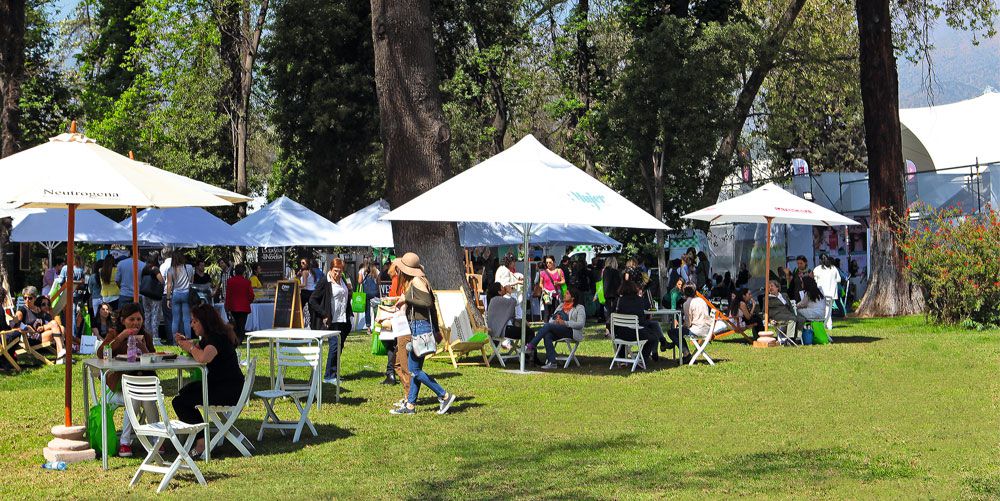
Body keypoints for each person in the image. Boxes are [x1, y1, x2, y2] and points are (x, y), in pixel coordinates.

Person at [173, 303, 246, 458]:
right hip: (222, 384)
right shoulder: (211, 337)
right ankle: (200, 437)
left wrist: (190, 348)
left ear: (204, 321)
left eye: (195, 321)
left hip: (227, 390)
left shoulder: (216, 339)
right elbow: (199, 349)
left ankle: (201, 441)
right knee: (184, 393)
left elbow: (204, 358)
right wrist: (188, 343)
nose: (191, 324)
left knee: (180, 401)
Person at [389, 252, 457, 415]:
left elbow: (426, 302)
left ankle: (444, 395)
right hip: (420, 326)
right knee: (415, 368)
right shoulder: (420, 280)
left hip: (419, 327)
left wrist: (407, 299)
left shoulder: (417, 281)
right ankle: (410, 405)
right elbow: (431, 305)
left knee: (415, 370)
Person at [96, 302, 157, 457]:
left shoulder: (146, 336)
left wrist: (143, 348)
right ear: (123, 320)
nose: (136, 323)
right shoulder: (114, 333)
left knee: (144, 396)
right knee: (137, 396)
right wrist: (121, 337)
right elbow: (101, 352)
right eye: (131, 319)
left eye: (138, 319)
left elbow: (154, 358)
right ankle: (140, 440)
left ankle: (148, 440)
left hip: (143, 382)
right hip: (119, 386)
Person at [309, 258, 353, 385]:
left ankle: (334, 373)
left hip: (343, 318)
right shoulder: (325, 281)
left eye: (340, 271)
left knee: (339, 346)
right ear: (330, 269)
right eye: (335, 271)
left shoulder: (343, 280)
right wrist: (324, 313)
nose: (337, 274)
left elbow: (344, 296)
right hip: (332, 319)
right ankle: (328, 376)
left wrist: (349, 292)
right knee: (334, 346)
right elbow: (312, 300)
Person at [524, 286, 586, 370]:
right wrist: (556, 321)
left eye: (567, 293)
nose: (564, 295)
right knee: (547, 334)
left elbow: (580, 324)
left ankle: (531, 345)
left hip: (572, 331)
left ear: (573, 297)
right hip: (559, 330)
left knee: (548, 326)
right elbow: (551, 320)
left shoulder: (579, 308)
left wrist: (565, 323)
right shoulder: (561, 306)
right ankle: (552, 362)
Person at [612, 281, 668, 362]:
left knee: (651, 330)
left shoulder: (618, 301)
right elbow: (641, 321)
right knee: (653, 337)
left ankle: (622, 359)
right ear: (634, 289)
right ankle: (642, 358)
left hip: (620, 334)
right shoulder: (640, 300)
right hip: (636, 334)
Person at [486, 281, 534, 352]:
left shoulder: (495, 300)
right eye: (502, 287)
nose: (504, 288)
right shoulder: (497, 299)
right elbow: (514, 302)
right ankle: (527, 354)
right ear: (499, 292)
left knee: (527, 330)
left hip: (498, 330)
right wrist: (510, 292)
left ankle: (527, 353)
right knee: (529, 332)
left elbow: (511, 313)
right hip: (501, 331)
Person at [165, 251, 195, 337]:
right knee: (186, 319)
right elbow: (192, 281)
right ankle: (188, 339)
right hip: (186, 293)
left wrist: (168, 298)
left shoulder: (170, 269)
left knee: (175, 319)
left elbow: (169, 285)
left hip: (176, 294)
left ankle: (175, 341)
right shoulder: (189, 267)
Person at [224, 264, 255, 343]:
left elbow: (228, 295)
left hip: (233, 307)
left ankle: (235, 338)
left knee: (235, 324)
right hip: (244, 307)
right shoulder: (247, 282)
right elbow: (251, 295)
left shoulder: (230, 281)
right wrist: (249, 301)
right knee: (242, 324)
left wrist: (227, 306)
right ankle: (240, 338)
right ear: (243, 272)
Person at [811, 255, 841, 330]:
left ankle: (825, 324)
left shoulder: (817, 269)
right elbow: (839, 279)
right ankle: (828, 324)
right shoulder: (834, 268)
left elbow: (814, 279)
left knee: (823, 309)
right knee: (829, 309)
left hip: (822, 292)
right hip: (832, 293)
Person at [139, 254, 165, 342]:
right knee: (155, 316)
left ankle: (147, 337)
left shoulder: (145, 269)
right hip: (154, 295)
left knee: (147, 315)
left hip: (145, 294)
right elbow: (161, 280)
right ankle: (155, 338)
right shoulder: (155, 269)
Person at [536, 255, 565, 321]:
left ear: (554, 262)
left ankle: (555, 325)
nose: (548, 264)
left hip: (556, 294)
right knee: (547, 311)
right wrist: (543, 288)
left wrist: (558, 283)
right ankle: (546, 325)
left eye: (550, 262)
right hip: (546, 294)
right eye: (547, 263)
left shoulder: (559, 271)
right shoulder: (543, 272)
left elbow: (563, 281)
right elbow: (540, 283)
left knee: (556, 311)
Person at [602, 256, 622, 335]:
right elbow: (618, 284)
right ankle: (613, 329)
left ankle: (607, 330)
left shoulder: (605, 271)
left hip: (606, 294)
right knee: (614, 312)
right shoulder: (616, 272)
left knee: (607, 312)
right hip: (614, 294)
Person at [360, 261, 380, 331]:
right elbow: (379, 282)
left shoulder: (362, 270)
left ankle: (368, 327)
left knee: (367, 310)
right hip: (375, 293)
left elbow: (359, 281)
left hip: (366, 293)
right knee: (376, 310)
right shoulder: (376, 271)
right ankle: (376, 326)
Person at [297, 258, 316, 327]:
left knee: (299, 308)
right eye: (301, 263)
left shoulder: (305, 272)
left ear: (307, 264)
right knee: (311, 310)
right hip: (312, 291)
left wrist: (295, 285)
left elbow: (304, 284)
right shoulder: (311, 271)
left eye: (303, 263)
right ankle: (312, 325)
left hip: (306, 292)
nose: (301, 265)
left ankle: (300, 323)